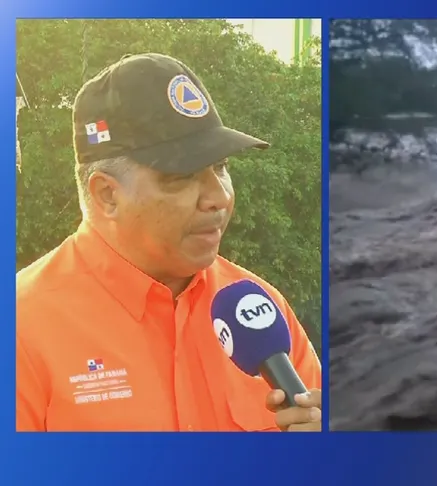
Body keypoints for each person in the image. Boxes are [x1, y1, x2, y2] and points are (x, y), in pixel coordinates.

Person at [15, 53, 322, 432]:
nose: (219, 197)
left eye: (221, 167)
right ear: (107, 195)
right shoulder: (21, 327)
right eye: (183, 176)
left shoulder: (258, 307)